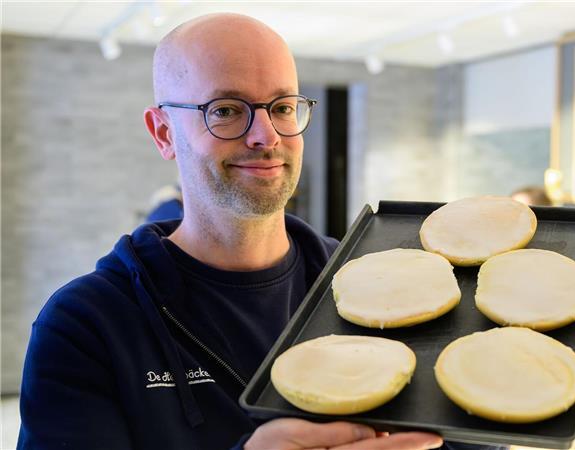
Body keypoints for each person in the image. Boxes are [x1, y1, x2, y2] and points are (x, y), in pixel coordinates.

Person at [19, 13, 504, 450]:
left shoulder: (373, 282)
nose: (266, 136)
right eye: (227, 109)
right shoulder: (87, 324)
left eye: (283, 107)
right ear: (164, 133)